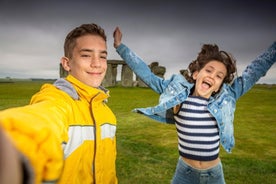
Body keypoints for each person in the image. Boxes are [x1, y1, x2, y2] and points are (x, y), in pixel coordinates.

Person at [113, 27, 276, 184]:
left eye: (219, 76)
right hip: (185, 173)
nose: (212, 77)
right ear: (197, 73)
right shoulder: (178, 95)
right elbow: (147, 74)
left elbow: (254, 71)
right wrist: (120, 47)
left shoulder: (226, 98)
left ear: (219, 85)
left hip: (214, 174)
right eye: (209, 71)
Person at [0, 23, 117, 184]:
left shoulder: (107, 113)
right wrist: (12, 146)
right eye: (86, 55)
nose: (97, 63)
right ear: (67, 63)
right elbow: (43, 117)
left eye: (102, 56)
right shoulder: (58, 99)